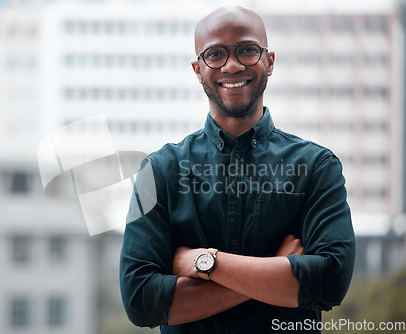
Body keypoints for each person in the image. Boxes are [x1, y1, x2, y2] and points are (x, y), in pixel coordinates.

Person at [119, 5, 355, 333]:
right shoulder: (158, 172)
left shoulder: (316, 167)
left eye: (247, 50)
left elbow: (329, 282)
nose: (231, 65)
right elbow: (141, 301)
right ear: (197, 68)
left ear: (269, 62)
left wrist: (205, 263)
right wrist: (276, 270)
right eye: (215, 54)